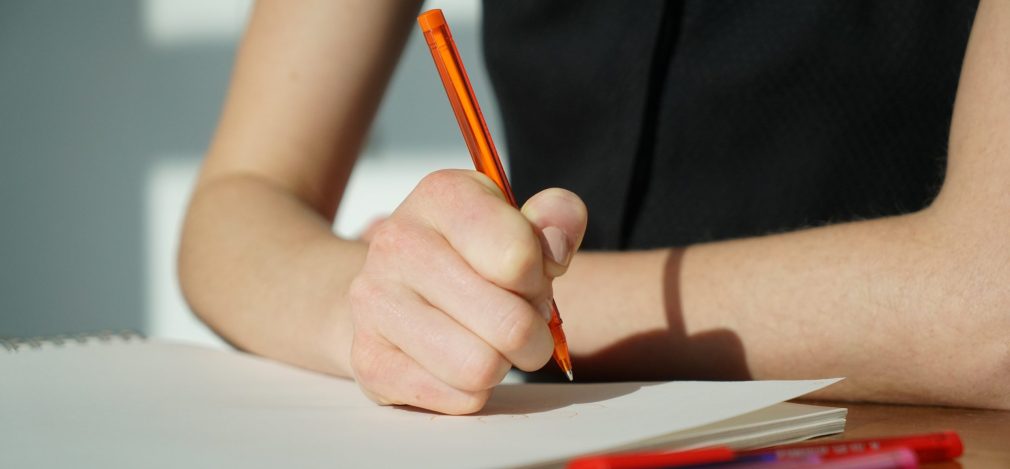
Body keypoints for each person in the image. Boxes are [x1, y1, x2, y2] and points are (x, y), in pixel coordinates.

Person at [179, 0, 1010, 415]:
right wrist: (381, 311)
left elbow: (991, 305)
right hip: (554, 438)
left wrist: (509, 306)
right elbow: (236, 204)